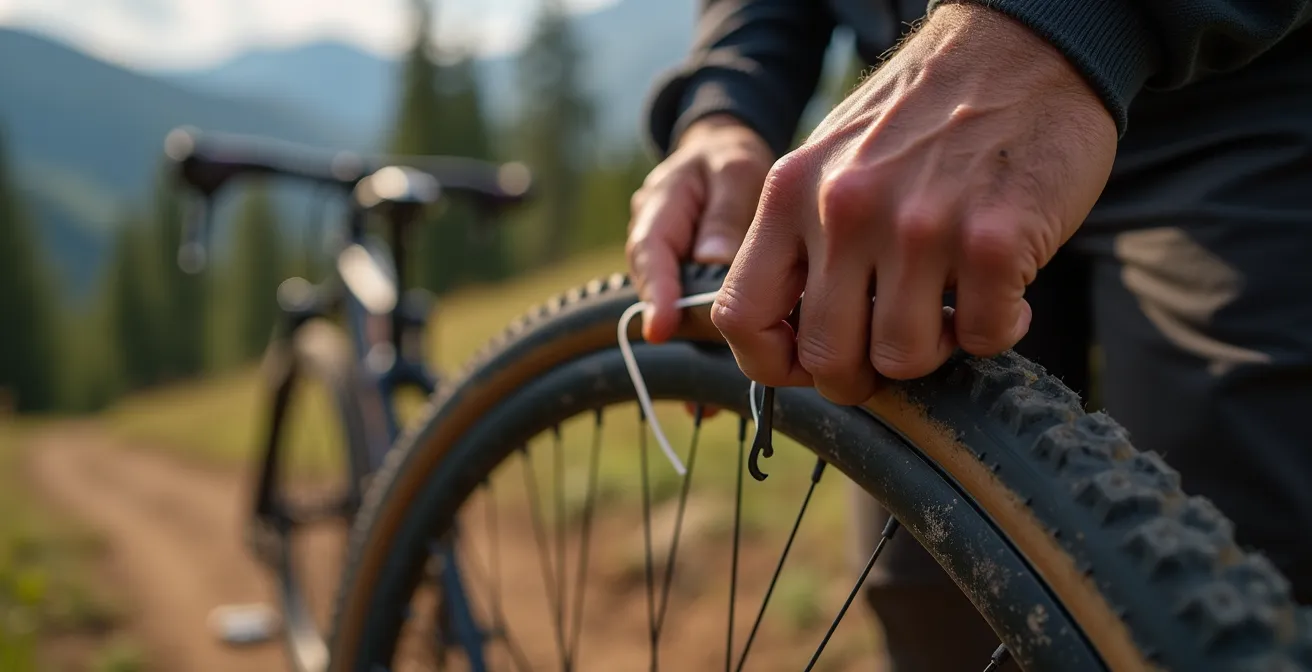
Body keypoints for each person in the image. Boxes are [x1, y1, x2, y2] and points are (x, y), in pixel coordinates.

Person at [626, 0, 1312, 668]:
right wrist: (728, 105)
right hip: (928, 161)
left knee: (1229, 576)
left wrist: (1055, 24)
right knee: (931, 592)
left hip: (1237, 101)